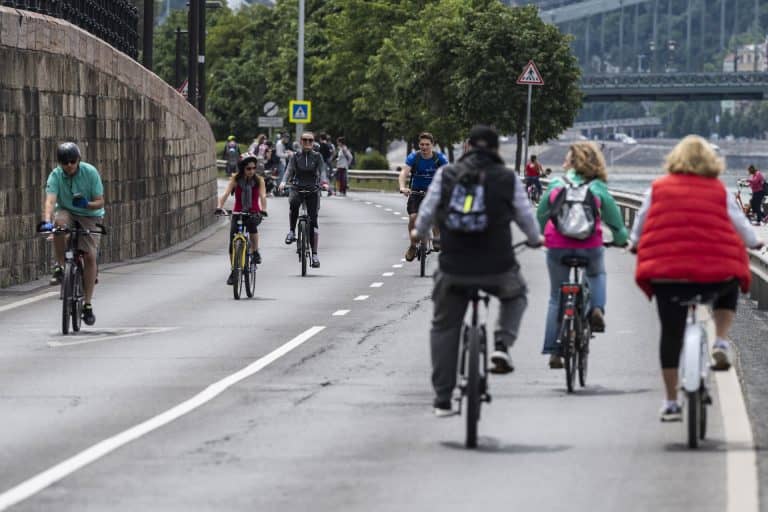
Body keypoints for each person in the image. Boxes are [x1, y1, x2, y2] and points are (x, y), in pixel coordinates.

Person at [411, 125, 543, 417]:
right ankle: (501, 345)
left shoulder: (446, 175)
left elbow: (425, 217)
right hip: (498, 266)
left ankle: (443, 399)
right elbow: (526, 219)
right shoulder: (508, 178)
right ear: (496, 150)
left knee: (444, 326)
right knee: (517, 294)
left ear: (467, 147)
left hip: (454, 266)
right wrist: (535, 240)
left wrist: (419, 235)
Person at [629, 135, 762, 422]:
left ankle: (671, 402)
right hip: (713, 276)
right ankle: (721, 341)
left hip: (668, 276)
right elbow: (742, 227)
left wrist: (633, 243)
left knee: (671, 334)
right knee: (731, 284)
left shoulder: (657, 188)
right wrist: (754, 242)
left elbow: (641, 224)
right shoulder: (718, 190)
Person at [536, 141, 629, 369]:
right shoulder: (596, 187)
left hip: (557, 246)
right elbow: (615, 222)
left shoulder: (557, 184)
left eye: (566, 158)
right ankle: (596, 308)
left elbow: (541, 215)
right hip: (589, 245)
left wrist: (539, 236)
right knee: (596, 274)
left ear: (571, 162)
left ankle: (554, 351)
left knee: (556, 297)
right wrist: (620, 240)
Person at [41, 142, 106, 326]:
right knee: (58, 225)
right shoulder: (56, 176)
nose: (69, 165)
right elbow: (50, 200)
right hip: (66, 211)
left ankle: (87, 304)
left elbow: (100, 201)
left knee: (90, 256)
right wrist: (47, 220)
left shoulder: (90, 172)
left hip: (90, 215)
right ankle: (61, 266)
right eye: (64, 162)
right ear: (59, 163)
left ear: (78, 160)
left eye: (72, 161)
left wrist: (87, 204)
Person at [216, 154, 267, 285]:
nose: (251, 171)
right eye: (248, 168)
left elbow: (263, 196)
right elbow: (226, 193)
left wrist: (264, 209)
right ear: (243, 168)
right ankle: (234, 271)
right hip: (238, 212)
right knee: (232, 244)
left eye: (254, 168)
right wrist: (219, 207)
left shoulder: (259, 180)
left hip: (254, 212)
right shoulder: (235, 179)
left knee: (251, 226)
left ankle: (255, 251)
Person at [399, 132, 449, 261]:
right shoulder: (414, 157)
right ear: (418, 145)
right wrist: (403, 187)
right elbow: (404, 173)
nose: (424, 147)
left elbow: (449, 174)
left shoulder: (440, 158)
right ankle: (412, 245)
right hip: (416, 192)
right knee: (413, 218)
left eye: (427, 144)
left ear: (432, 145)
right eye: (422, 144)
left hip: (434, 193)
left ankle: (437, 237)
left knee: (436, 216)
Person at [279, 131, 325, 268]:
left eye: (310, 140)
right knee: (293, 204)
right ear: (301, 141)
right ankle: (292, 231)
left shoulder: (317, 157)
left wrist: (325, 183)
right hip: (297, 187)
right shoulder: (295, 156)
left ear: (313, 142)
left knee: (313, 220)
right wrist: (283, 182)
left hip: (312, 188)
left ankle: (315, 254)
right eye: (305, 140)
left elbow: (322, 172)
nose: (307, 143)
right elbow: (289, 170)